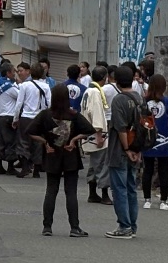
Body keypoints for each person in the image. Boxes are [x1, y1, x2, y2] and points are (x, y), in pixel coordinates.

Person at [28, 84, 95, 237]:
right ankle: (74, 227)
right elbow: (90, 130)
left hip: (52, 155)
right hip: (70, 156)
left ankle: (47, 227)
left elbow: (30, 131)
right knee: (71, 192)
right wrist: (74, 140)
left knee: (51, 191)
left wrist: (45, 142)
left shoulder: (45, 115)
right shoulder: (74, 115)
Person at [106, 65, 142, 239]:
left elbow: (120, 128)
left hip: (120, 149)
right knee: (131, 188)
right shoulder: (139, 98)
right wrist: (137, 149)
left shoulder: (118, 100)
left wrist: (127, 148)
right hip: (137, 147)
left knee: (119, 189)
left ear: (116, 81)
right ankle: (132, 225)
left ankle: (124, 226)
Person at [141, 74, 168, 211]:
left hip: (147, 140)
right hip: (164, 140)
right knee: (163, 171)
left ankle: (147, 200)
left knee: (147, 170)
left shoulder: (143, 102)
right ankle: (163, 201)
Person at [13, 62, 51, 178]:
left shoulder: (25, 86)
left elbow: (19, 104)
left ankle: (25, 167)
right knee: (38, 143)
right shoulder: (46, 86)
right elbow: (49, 104)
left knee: (23, 142)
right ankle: (37, 170)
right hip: (40, 118)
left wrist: (15, 118)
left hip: (26, 117)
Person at [80, 65, 111, 204]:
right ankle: (104, 194)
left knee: (94, 164)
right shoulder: (95, 92)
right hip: (97, 134)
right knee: (102, 165)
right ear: (105, 77)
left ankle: (92, 193)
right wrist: (99, 134)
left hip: (88, 132)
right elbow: (96, 113)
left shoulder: (88, 90)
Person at [0, 61, 20, 175]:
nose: (14, 74)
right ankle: (10, 167)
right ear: (8, 73)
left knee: (0, 142)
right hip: (9, 116)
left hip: (0, 116)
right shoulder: (9, 86)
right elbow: (20, 96)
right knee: (11, 142)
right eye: (13, 72)